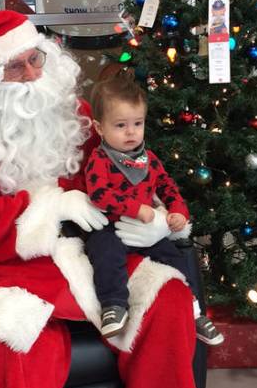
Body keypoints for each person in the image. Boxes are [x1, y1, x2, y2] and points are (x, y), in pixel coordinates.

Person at [0, 10, 204, 388]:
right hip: (20, 274)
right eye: (15, 66)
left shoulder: (79, 115)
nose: (33, 74)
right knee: (10, 351)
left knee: (166, 300)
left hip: (101, 258)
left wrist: (158, 221)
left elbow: (134, 172)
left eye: (35, 58)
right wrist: (46, 207)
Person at [85, 72, 224, 345]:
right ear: (100, 128)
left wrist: (178, 211)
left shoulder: (149, 159)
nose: (131, 132)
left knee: (176, 259)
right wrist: (135, 208)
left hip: (147, 229)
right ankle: (114, 305)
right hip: (114, 226)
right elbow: (99, 194)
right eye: (121, 125)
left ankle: (195, 312)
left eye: (138, 123)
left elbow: (167, 186)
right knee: (105, 252)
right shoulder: (99, 160)